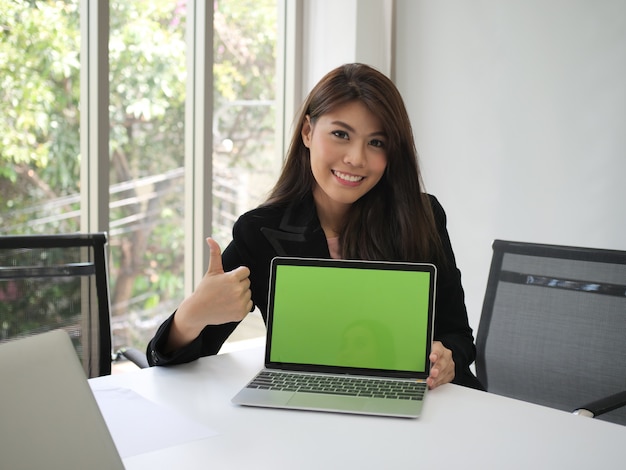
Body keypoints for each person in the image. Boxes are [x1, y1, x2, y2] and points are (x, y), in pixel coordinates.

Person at [147, 63, 484, 390]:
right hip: (307, 413)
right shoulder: (261, 232)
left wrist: (448, 357)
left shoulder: (421, 215)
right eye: (340, 134)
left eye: (376, 142)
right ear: (308, 132)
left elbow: (458, 334)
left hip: (416, 404)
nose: (356, 158)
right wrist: (192, 312)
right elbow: (173, 359)